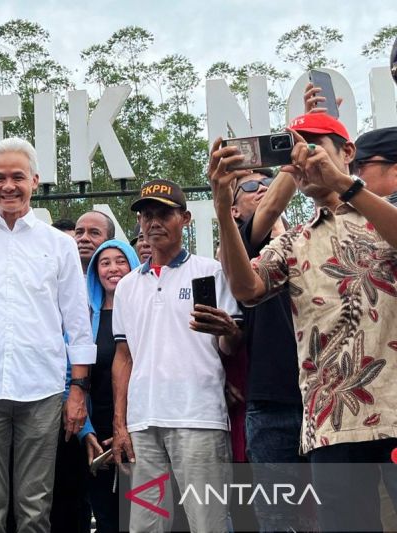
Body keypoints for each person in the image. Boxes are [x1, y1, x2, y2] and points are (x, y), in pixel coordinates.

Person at [209, 112, 397, 532]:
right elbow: (246, 289)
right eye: (294, 155)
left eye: (312, 147)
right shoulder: (294, 240)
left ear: (347, 152)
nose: (304, 161)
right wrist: (223, 209)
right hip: (332, 422)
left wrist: (344, 184)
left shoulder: (382, 210)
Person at [0, 138, 95, 533]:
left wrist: (77, 390)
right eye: (0, 178)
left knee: (35, 510)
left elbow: (78, 324)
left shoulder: (59, 245)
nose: (9, 186)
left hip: (41, 392)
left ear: (35, 181)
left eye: (18, 177)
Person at [111, 179, 242, 532]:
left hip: (198, 416)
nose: (153, 222)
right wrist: (120, 423)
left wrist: (228, 332)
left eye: (163, 214)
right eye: (146, 215)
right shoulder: (127, 285)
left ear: (184, 219)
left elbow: (229, 346)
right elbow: (123, 357)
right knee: (145, 525)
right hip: (143, 422)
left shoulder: (210, 272)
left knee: (207, 522)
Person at [229, 165, 315, 530]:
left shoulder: (311, 238)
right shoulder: (239, 251)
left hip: (324, 400)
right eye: (250, 185)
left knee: (340, 510)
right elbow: (228, 344)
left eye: (269, 182)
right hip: (270, 404)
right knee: (277, 519)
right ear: (233, 210)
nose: (263, 188)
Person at [83, 239, 139, 532]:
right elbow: (73, 376)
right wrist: (85, 429)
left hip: (141, 427)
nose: (113, 268)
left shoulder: (145, 311)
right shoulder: (85, 316)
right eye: (105, 263)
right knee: (106, 517)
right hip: (96, 433)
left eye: (120, 260)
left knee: (146, 513)